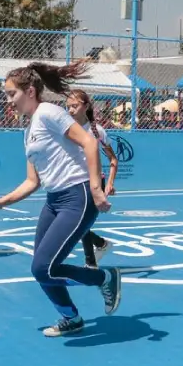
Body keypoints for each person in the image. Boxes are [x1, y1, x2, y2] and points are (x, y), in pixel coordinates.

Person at [0, 61, 121, 338]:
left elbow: (90, 142)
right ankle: (71, 317)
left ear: (30, 91)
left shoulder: (48, 112)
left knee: (42, 268)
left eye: (12, 94)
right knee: (43, 268)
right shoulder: (28, 131)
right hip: (54, 200)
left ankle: (105, 278)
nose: (8, 101)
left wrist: (96, 187)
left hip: (77, 196)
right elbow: (32, 181)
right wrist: (1, 202)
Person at [66, 89, 117, 269]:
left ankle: (91, 263)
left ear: (85, 106)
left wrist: (110, 183)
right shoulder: (65, 129)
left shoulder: (96, 131)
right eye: (68, 106)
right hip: (72, 182)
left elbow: (113, 159)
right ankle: (101, 244)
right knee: (74, 223)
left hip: (93, 183)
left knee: (79, 222)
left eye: (75, 106)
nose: (71, 110)